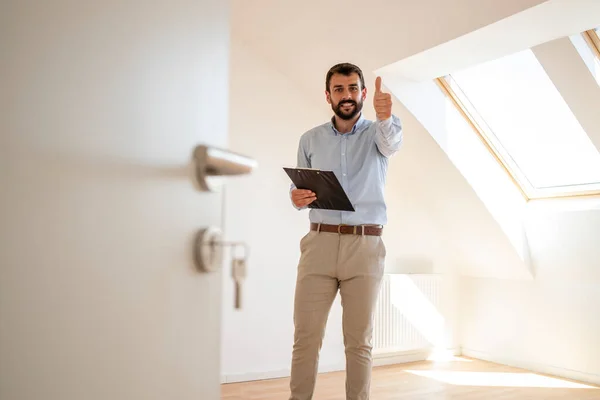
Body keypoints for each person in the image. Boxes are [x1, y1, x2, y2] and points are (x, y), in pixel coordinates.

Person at [288, 62, 403, 400]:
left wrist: (385, 116)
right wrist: (295, 197)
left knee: (359, 342)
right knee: (305, 337)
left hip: (365, 247)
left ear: (363, 93)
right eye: (339, 89)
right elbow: (300, 189)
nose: (347, 95)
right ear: (328, 96)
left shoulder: (379, 132)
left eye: (353, 88)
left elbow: (392, 142)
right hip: (319, 243)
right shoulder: (309, 139)